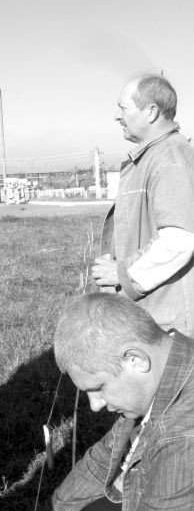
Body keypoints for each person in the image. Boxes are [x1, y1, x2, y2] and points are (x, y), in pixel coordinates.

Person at [13, 293, 194, 511]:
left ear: (135, 359)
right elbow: (106, 456)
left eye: (98, 388)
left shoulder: (183, 441)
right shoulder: (172, 369)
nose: (95, 406)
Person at [92, 74, 194, 335]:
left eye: (123, 108)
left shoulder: (170, 160)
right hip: (153, 313)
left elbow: (180, 241)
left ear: (151, 112)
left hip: (169, 324)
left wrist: (123, 274)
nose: (117, 116)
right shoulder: (153, 157)